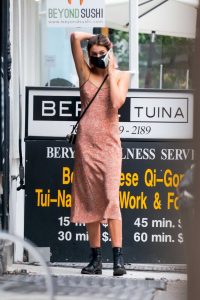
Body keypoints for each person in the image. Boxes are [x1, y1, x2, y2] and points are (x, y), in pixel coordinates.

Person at [70, 31, 130, 276]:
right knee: (90, 201)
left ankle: (118, 259)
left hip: (109, 148)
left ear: (109, 52)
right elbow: (74, 36)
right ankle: (96, 260)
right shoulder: (84, 73)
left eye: (101, 55)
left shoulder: (121, 76)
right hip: (86, 147)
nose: (96, 58)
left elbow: (116, 103)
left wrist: (109, 72)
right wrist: (94, 36)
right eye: (93, 55)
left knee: (110, 198)